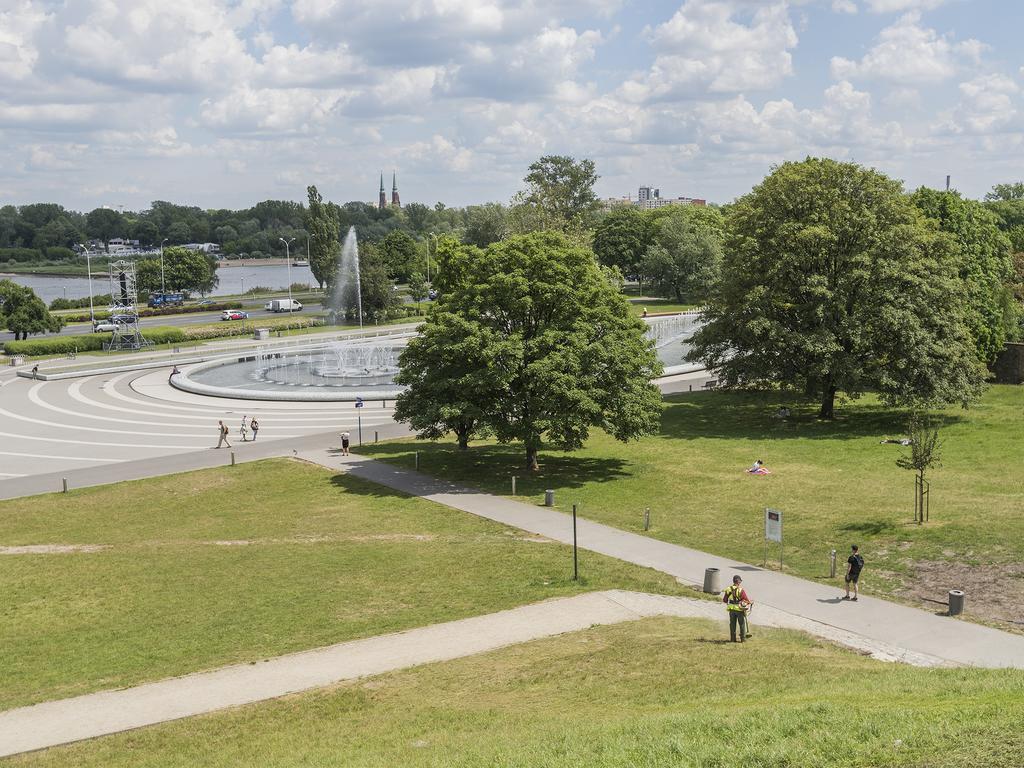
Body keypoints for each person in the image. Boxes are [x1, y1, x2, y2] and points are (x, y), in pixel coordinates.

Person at [723, 575, 753, 642]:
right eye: (740, 581)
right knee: (742, 624)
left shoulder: (728, 589)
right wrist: (750, 602)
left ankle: (733, 639)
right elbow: (746, 600)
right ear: (738, 582)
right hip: (739, 610)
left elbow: (725, 600)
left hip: (731, 610)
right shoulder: (741, 590)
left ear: (733, 581)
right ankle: (743, 639)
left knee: (732, 624)